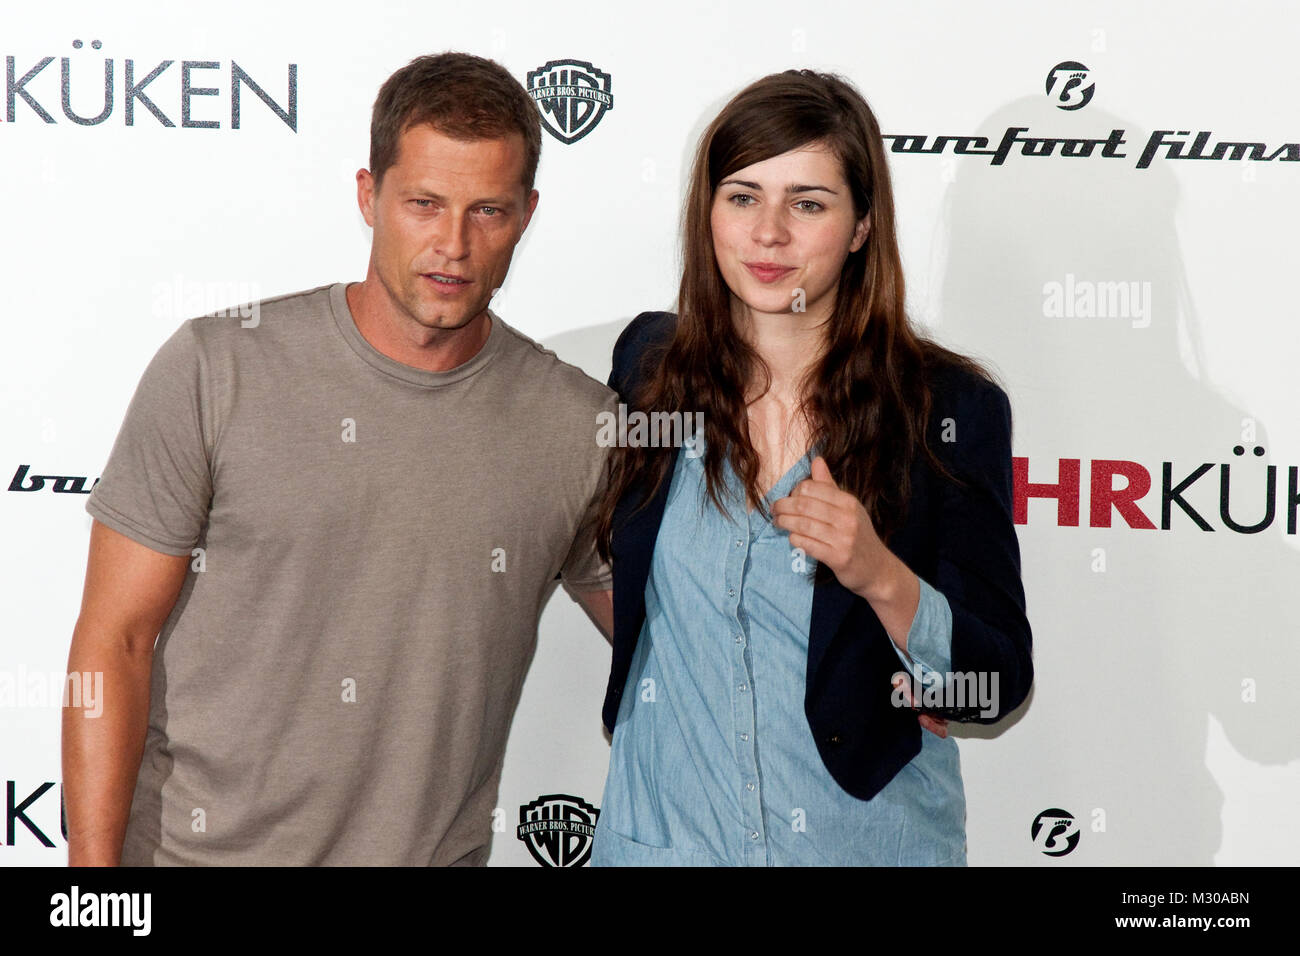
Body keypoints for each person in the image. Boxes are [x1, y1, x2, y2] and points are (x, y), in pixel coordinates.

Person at [61, 52, 616, 866]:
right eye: (424, 204)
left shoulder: (577, 427)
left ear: (527, 214)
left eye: (487, 211)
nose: (453, 245)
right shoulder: (219, 369)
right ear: (369, 195)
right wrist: (95, 889)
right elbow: (114, 642)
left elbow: (668, 657)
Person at [588, 70, 1032, 866]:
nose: (769, 235)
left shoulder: (944, 407)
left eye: (808, 203)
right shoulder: (650, 366)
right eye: (743, 196)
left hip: (860, 845)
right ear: (708, 211)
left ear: (861, 226)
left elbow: (996, 686)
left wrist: (879, 576)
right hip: (663, 842)